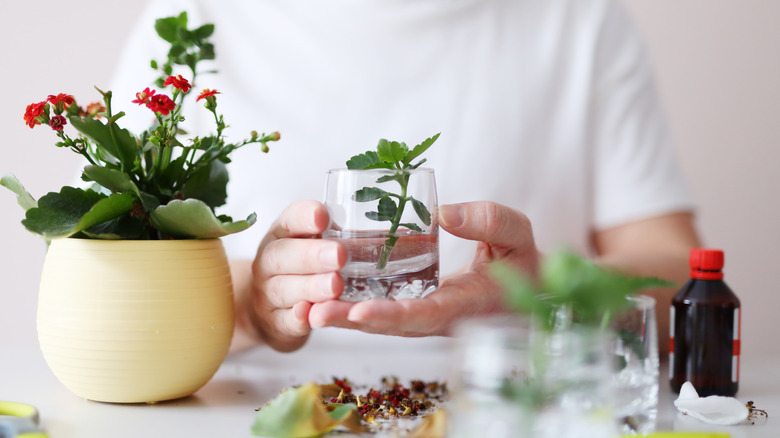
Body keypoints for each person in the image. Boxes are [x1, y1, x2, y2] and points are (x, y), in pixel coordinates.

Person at [111, 0, 701, 354]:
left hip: (516, 408)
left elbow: (684, 283)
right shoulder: (187, 29)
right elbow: (118, 294)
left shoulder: (578, 19)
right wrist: (252, 305)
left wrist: (540, 295)